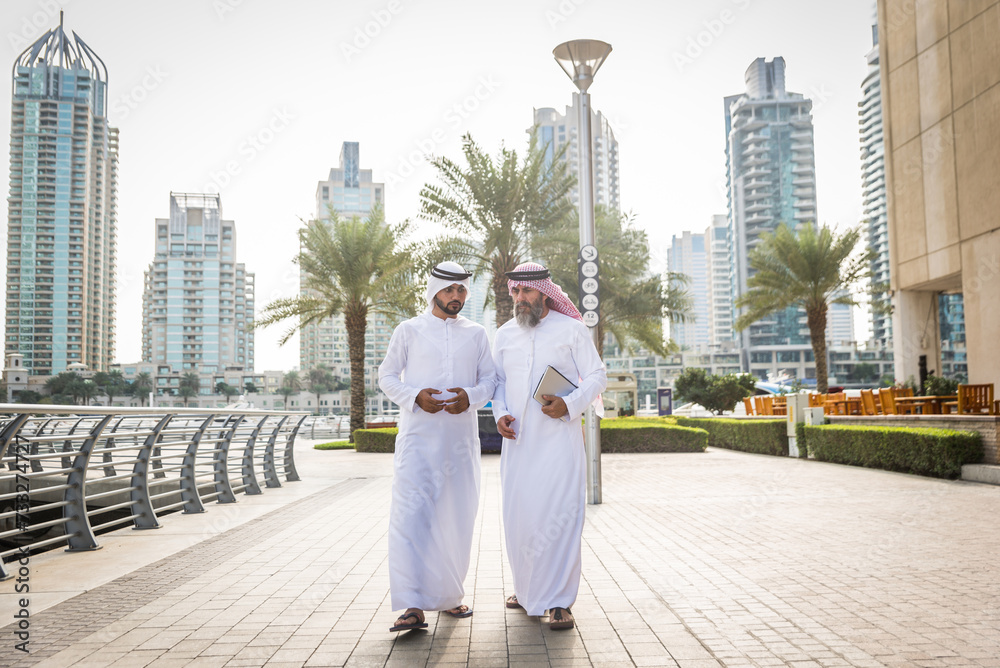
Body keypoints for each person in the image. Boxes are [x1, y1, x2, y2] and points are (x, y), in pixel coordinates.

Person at [378, 261, 497, 632]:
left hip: (460, 444)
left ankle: (450, 597)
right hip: (417, 442)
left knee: (456, 517)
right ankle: (412, 605)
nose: (456, 297)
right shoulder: (409, 330)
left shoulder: (476, 334)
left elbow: (490, 380)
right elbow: (385, 377)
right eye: (450, 290)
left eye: (462, 290)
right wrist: (414, 396)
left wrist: (470, 397)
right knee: (411, 519)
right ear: (434, 291)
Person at [491, 261, 607, 630]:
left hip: (559, 442)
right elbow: (496, 382)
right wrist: (500, 414)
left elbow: (597, 375)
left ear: (543, 291)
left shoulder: (571, 329)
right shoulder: (505, 334)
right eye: (515, 291)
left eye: (526, 291)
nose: (520, 298)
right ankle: (527, 591)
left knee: (560, 517)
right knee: (520, 517)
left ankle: (558, 601)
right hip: (519, 443)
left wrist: (570, 405)